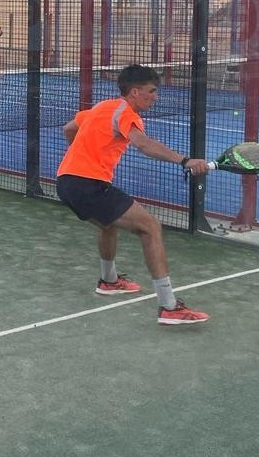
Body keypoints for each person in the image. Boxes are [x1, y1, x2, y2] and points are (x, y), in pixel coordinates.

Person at [56, 64, 210, 325]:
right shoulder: (126, 114)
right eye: (152, 91)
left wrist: (84, 154)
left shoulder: (103, 107)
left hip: (66, 183)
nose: (155, 97)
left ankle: (109, 281)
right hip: (88, 185)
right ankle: (169, 307)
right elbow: (142, 144)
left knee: (108, 225)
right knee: (150, 227)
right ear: (135, 92)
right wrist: (185, 161)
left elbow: (68, 128)